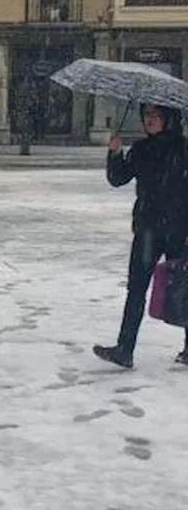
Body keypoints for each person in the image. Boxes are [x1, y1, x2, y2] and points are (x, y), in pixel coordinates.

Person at [93, 103, 188, 369]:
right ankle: (125, 348)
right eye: (147, 116)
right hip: (148, 229)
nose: (150, 120)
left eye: (156, 116)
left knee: (184, 286)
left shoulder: (183, 149)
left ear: (169, 118)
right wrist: (114, 154)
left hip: (179, 230)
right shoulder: (142, 149)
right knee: (136, 288)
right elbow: (118, 178)